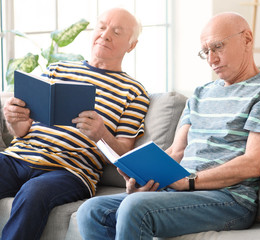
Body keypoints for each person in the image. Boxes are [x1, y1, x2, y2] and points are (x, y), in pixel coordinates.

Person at [77, 12, 260, 239]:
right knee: (92, 211)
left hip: (229, 198)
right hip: (183, 191)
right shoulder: (201, 94)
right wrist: (143, 179)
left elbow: (252, 164)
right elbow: (177, 151)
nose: (212, 59)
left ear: (247, 39)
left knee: (135, 208)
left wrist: (188, 182)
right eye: (206, 52)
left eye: (218, 47)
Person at [0, 8, 149, 240]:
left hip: (70, 171)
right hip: (18, 157)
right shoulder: (56, 69)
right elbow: (21, 131)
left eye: (117, 32)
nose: (105, 35)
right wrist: (13, 119)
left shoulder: (134, 92)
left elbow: (124, 155)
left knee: (34, 192)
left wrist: (101, 134)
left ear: (131, 45)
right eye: (101, 27)